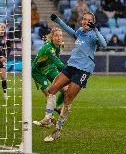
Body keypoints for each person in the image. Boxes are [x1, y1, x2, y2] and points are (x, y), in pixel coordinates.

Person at [34, 12, 107, 142]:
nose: (85, 22)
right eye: (84, 19)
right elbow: (70, 31)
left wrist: (95, 29)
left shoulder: (93, 35)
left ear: (93, 22)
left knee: (68, 98)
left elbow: (104, 44)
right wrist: (58, 21)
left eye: (88, 20)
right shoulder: (80, 32)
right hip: (71, 66)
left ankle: (58, 130)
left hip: (83, 71)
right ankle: (48, 119)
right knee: (52, 89)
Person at [32, 27, 67, 124]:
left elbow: (57, 61)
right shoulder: (49, 49)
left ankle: (57, 106)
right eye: (56, 36)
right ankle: (48, 119)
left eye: (60, 36)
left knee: (66, 89)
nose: (59, 38)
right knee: (50, 94)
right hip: (38, 72)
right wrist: (71, 72)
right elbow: (59, 63)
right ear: (52, 37)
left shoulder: (60, 46)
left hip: (50, 68)